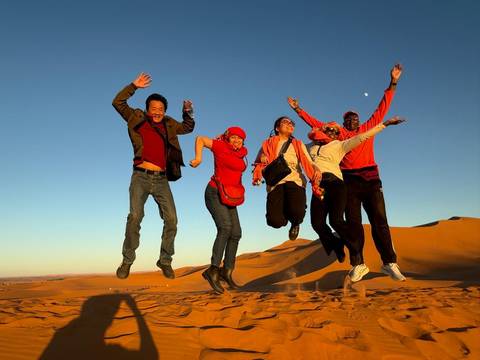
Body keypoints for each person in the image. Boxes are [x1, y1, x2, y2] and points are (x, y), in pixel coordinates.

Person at [288, 64, 406, 282]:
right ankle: (358, 264)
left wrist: (393, 82)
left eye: (355, 118)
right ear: (343, 124)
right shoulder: (338, 136)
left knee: (380, 220)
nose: (352, 120)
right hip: (348, 181)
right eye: (348, 119)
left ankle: (390, 262)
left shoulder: (365, 130)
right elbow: (316, 124)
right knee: (353, 222)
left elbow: (382, 109)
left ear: (360, 122)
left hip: (370, 178)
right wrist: (298, 110)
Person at [112, 72, 195, 280]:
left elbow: (188, 128)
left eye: (161, 109)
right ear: (148, 109)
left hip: (161, 179)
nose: (157, 112)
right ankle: (127, 260)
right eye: (154, 108)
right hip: (140, 176)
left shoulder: (169, 124)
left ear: (164, 111)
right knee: (135, 217)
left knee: (172, 220)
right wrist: (134, 86)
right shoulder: (136, 118)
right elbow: (118, 102)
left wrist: (188, 111)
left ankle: (165, 260)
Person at [306, 117, 405, 268]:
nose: (332, 132)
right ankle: (337, 245)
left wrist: (384, 124)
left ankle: (357, 252)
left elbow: (363, 136)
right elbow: (295, 148)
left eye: (335, 131)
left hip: (336, 183)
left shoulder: (340, 145)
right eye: (329, 129)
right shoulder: (309, 147)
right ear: (323, 130)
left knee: (336, 220)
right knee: (317, 223)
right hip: (318, 186)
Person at [189, 127, 248, 294]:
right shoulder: (220, 146)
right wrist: (198, 158)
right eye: (234, 137)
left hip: (230, 195)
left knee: (236, 233)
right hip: (215, 192)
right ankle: (213, 270)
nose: (237, 141)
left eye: (240, 138)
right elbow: (200, 138)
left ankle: (226, 271)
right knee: (225, 228)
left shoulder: (242, 153)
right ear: (228, 138)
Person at [252, 117, 322, 240]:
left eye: (291, 123)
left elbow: (308, 160)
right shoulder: (267, 143)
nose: (290, 124)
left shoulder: (298, 144)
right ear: (277, 128)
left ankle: (295, 223)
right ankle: (285, 213)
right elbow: (258, 162)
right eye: (285, 122)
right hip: (275, 182)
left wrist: (315, 169)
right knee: (275, 221)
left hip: (295, 180)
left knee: (297, 213)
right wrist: (262, 157)